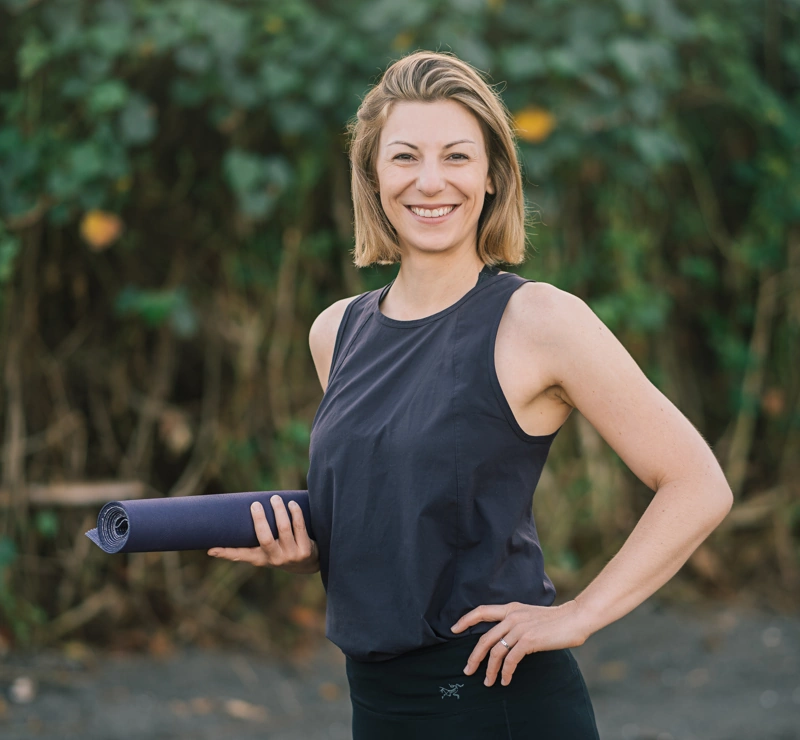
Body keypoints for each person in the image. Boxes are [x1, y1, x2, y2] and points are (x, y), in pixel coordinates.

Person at [208, 50, 734, 738]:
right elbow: (407, 512)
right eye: (404, 158)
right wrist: (313, 546)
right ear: (371, 175)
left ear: (492, 176)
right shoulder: (335, 331)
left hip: (499, 704)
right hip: (378, 706)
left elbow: (698, 484)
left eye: (456, 156)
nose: (430, 181)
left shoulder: (539, 321)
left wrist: (579, 616)